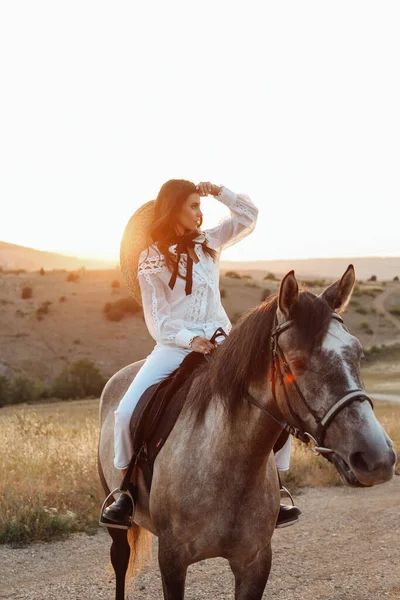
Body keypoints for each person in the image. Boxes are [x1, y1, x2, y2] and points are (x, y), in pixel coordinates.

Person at [99, 179, 300, 529]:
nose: (199, 212)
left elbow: (249, 216)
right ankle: (126, 492)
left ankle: (277, 487)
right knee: (126, 411)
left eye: (199, 205)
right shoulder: (151, 259)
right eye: (192, 206)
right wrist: (191, 340)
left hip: (224, 343)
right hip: (175, 346)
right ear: (172, 209)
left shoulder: (209, 243)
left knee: (278, 397)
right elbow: (158, 320)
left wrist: (219, 192)